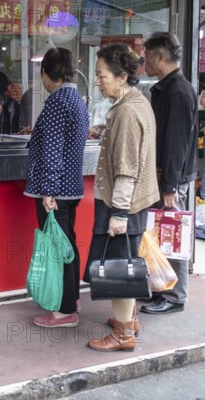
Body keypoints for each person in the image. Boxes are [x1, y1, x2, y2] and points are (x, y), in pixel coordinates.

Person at [85, 44, 159, 352]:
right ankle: (127, 320)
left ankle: (124, 333)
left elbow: (127, 169)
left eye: (102, 76)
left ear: (122, 76)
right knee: (125, 263)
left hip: (123, 203)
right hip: (132, 202)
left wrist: (118, 214)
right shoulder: (136, 102)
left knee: (119, 269)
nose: (98, 81)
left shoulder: (127, 111)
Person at [23, 48, 89, 328]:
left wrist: (48, 192)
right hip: (71, 187)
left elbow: (51, 150)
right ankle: (71, 299)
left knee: (56, 248)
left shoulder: (56, 102)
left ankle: (64, 313)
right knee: (67, 245)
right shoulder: (76, 99)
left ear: (46, 74)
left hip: (56, 190)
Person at [140, 32, 198, 315]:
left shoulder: (179, 90)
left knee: (174, 237)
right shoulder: (166, 87)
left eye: (147, 56)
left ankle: (174, 296)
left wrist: (170, 185)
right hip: (163, 177)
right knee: (159, 235)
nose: (144, 62)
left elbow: (177, 142)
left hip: (172, 179)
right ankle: (160, 288)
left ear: (159, 56)